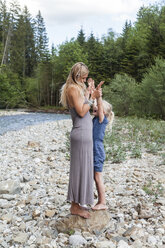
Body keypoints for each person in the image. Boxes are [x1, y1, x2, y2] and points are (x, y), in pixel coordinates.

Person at [60, 62, 101, 219]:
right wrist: (91, 97)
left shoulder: (77, 88)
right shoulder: (71, 88)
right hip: (80, 134)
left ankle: (79, 203)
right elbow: (83, 112)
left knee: (84, 169)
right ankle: (75, 207)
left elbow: (85, 105)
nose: (84, 80)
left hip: (85, 134)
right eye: (83, 78)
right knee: (79, 170)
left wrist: (90, 92)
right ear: (76, 76)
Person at [92, 94, 114, 210]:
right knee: (94, 176)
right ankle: (99, 201)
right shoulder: (94, 119)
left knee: (97, 176)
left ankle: (103, 202)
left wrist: (98, 97)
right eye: (95, 105)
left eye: (99, 106)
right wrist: (93, 96)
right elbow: (94, 105)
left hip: (97, 150)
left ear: (103, 112)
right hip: (92, 150)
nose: (95, 107)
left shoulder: (102, 119)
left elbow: (99, 108)